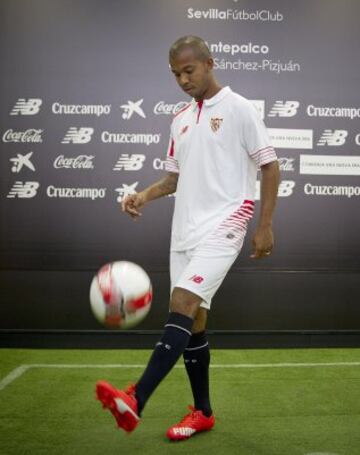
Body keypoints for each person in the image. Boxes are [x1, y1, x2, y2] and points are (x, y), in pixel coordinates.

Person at [95, 35, 280, 441]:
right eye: (176, 73)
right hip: (185, 231)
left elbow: (270, 166)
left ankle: (135, 400)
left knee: (182, 301)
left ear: (209, 63)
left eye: (189, 70)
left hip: (228, 221)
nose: (182, 79)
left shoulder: (239, 109)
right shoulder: (179, 118)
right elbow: (174, 178)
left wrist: (264, 224)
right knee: (192, 321)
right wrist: (142, 195)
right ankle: (204, 412)